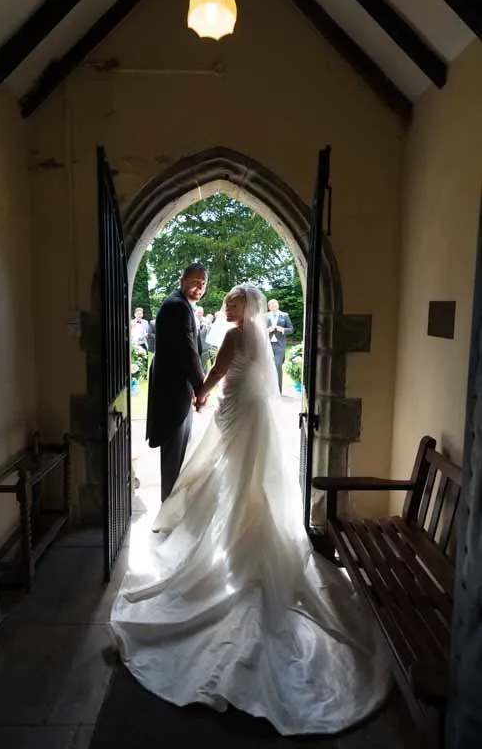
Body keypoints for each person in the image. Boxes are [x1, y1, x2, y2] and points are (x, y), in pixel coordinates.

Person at [111, 284, 390, 737]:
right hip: (254, 417)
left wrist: (199, 394)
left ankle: (231, 552)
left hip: (237, 417)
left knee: (231, 485)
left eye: (233, 302)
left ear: (247, 306)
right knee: (250, 487)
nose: (226, 306)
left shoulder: (236, 336)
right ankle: (245, 547)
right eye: (227, 303)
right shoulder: (259, 336)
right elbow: (261, 380)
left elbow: (219, 373)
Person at [145, 263, 207, 502]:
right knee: (173, 454)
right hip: (172, 393)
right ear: (182, 279)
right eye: (195, 281)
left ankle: (171, 505)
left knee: (178, 452)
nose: (199, 287)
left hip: (177, 389)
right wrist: (201, 388)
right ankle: (168, 506)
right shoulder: (176, 307)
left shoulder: (181, 304)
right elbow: (188, 352)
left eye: (203, 284)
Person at [266, 298, 293, 393]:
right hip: (267, 344)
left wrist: (283, 329)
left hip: (279, 344)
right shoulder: (265, 316)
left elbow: (291, 329)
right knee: (267, 366)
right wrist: (268, 330)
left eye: (275, 305)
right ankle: (269, 390)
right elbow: (260, 330)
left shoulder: (284, 315)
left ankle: (278, 390)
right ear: (269, 307)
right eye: (271, 305)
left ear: (278, 306)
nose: (273, 307)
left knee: (277, 364)